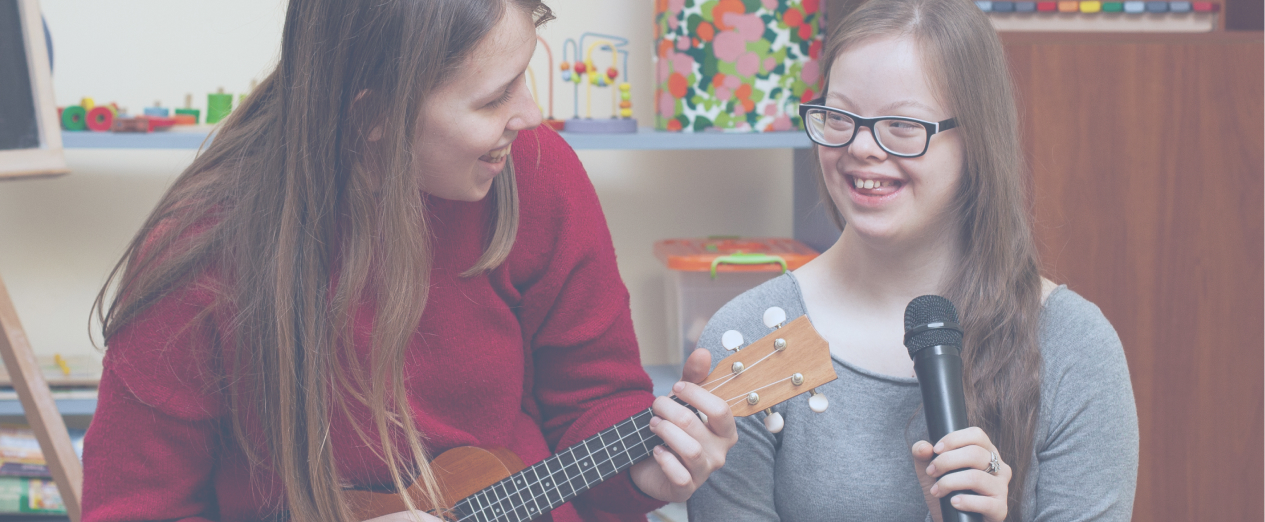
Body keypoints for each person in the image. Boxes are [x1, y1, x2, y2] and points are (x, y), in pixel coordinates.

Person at [81, 1, 737, 521]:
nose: (531, 116)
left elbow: (591, 405)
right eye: (492, 99)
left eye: (524, 79)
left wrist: (644, 471)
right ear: (373, 117)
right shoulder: (201, 251)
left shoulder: (535, 175)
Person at [686, 0, 1138, 520]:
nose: (860, 148)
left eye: (901, 124)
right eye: (839, 116)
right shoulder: (748, 340)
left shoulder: (1076, 347)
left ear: (976, 138)